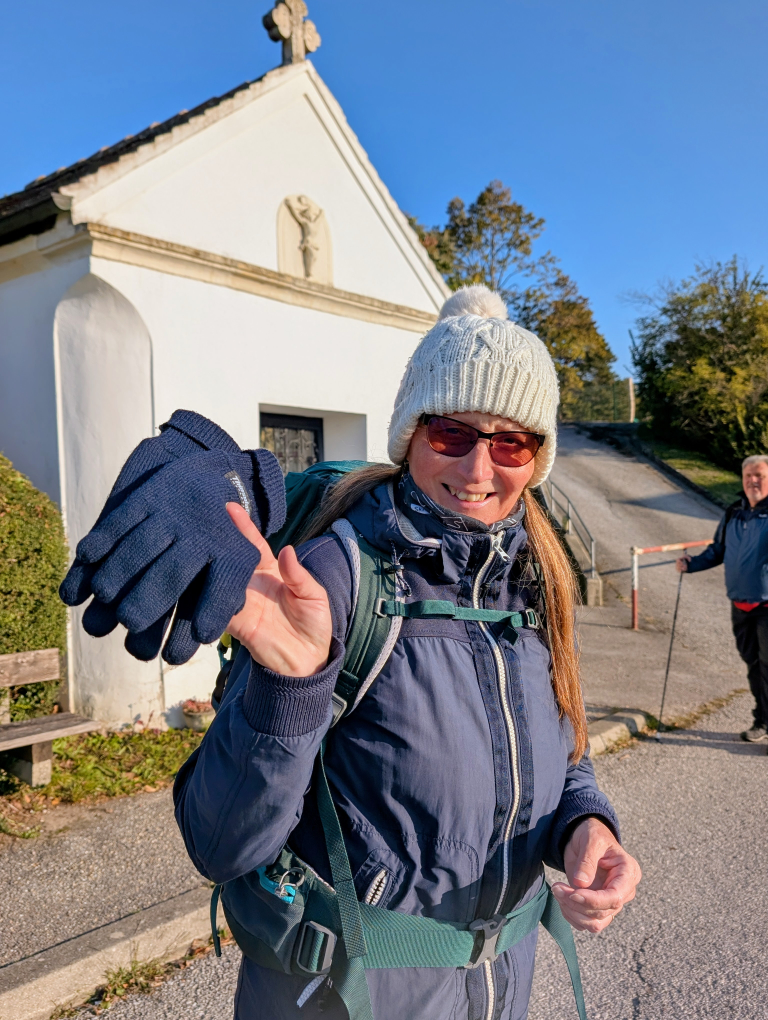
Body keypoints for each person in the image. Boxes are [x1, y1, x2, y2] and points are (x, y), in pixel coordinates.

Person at [174, 285, 641, 1020]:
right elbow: (220, 844)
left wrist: (587, 826)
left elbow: (560, 749)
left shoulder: (536, 580)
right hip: (346, 998)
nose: (481, 469)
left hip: (498, 994)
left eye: (512, 441)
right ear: (410, 434)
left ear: (539, 455)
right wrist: (289, 688)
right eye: (452, 433)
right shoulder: (334, 572)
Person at [677, 454, 768, 744]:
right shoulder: (734, 512)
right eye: (749, 476)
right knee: (752, 663)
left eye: (760, 475)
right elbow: (718, 550)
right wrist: (692, 564)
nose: (753, 481)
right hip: (740, 604)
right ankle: (762, 720)